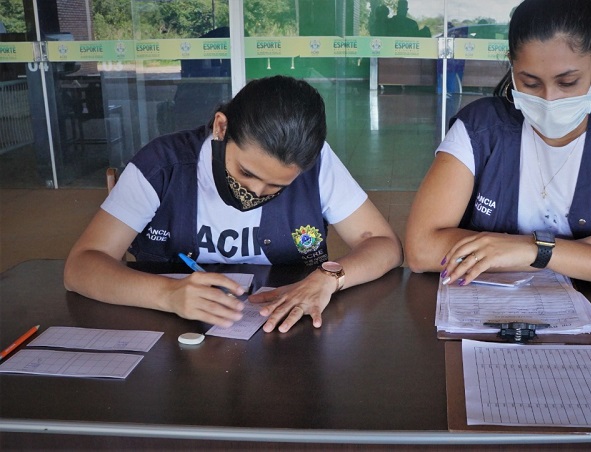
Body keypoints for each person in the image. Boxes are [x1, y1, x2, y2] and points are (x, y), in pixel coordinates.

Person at [405, 0, 591, 299]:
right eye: (530, 83)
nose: (549, 99)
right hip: (487, 313)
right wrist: (582, 252)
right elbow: (421, 250)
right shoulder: (479, 127)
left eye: (568, 82)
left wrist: (533, 250)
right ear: (512, 67)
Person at [64, 76, 403, 333]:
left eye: (278, 185)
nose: (255, 191)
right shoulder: (163, 165)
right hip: (175, 331)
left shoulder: (316, 164)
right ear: (221, 127)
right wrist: (167, 294)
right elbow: (81, 266)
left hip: (286, 337)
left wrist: (330, 279)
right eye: (246, 171)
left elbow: (384, 245)